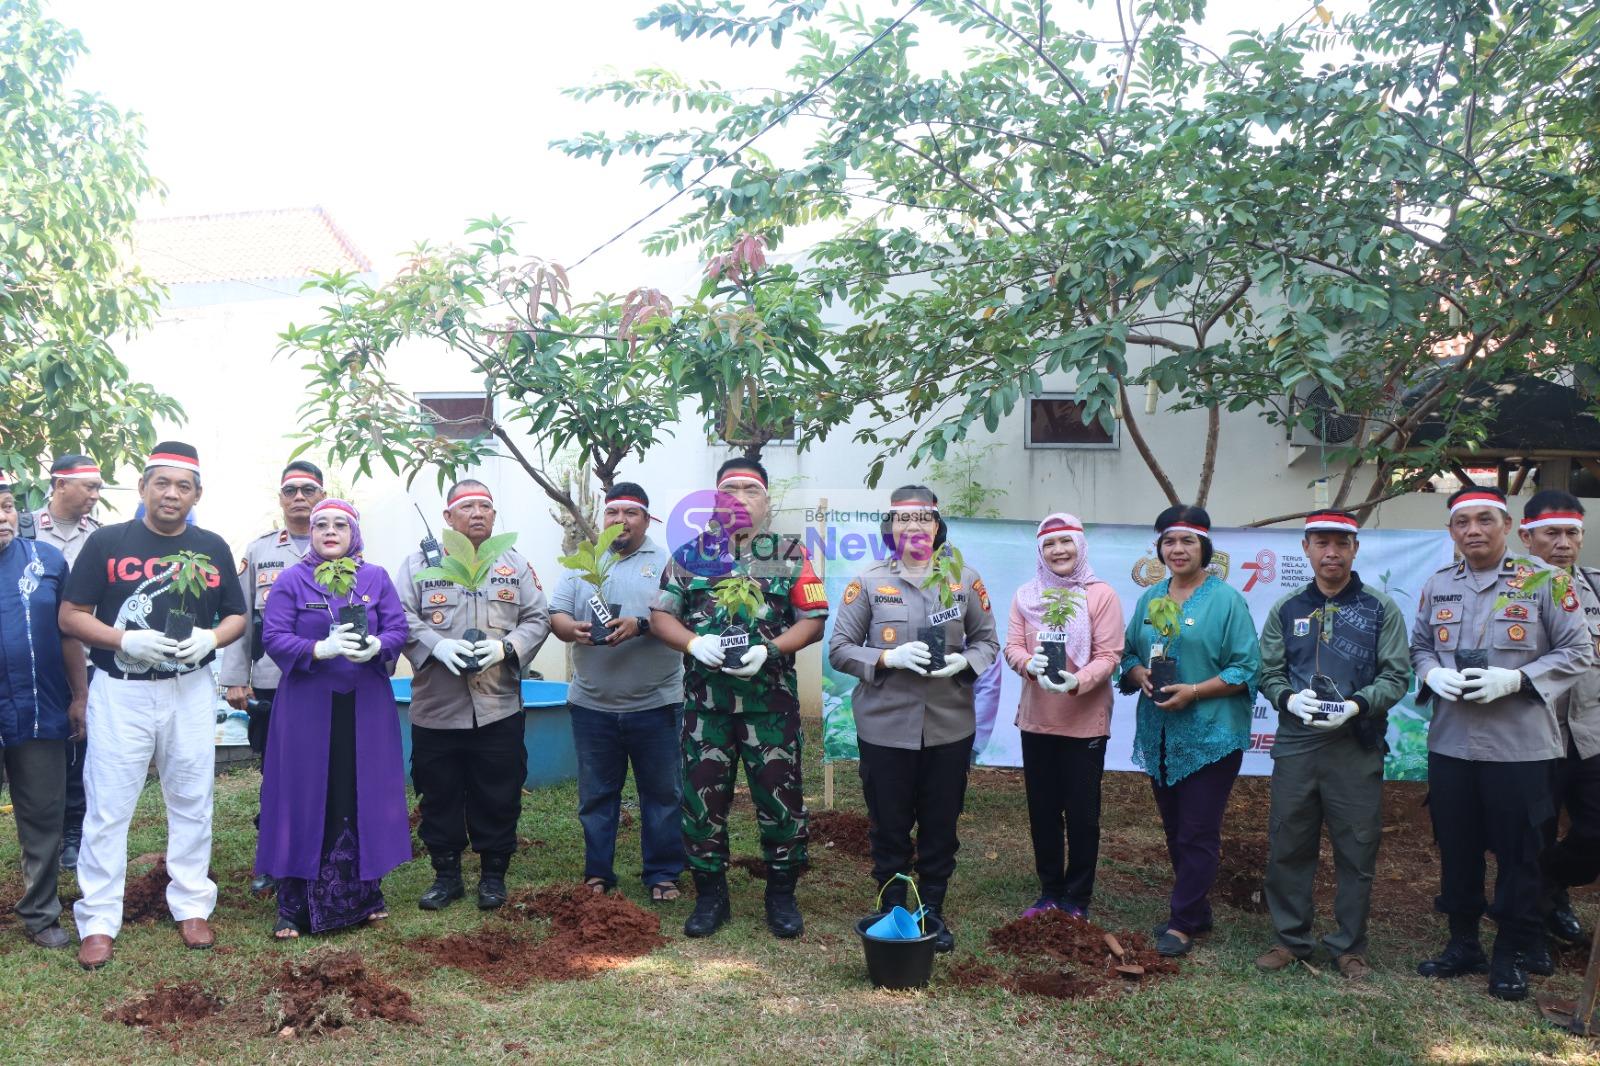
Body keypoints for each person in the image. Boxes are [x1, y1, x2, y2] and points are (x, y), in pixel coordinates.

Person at [58, 442, 248, 969]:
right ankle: (97, 919)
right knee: (109, 805)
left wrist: (213, 637)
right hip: (122, 690)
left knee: (191, 797)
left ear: (197, 494)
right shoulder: (108, 542)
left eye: (182, 486)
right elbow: (71, 616)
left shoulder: (211, 546)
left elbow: (237, 615)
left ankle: (191, 903)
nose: (171, 494)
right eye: (161, 483)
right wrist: (122, 640)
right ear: (142, 488)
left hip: (189, 688)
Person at [1410, 485, 1591, 1001]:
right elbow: (1421, 644)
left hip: (1521, 747)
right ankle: (1463, 943)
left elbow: (1577, 652)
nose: (1474, 531)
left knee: (1521, 854)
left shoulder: (1546, 582)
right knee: (1458, 847)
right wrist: (1430, 674)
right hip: (1451, 743)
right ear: (1451, 532)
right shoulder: (1438, 584)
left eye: (1485, 520)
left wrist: (1518, 680)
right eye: (1463, 523)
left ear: (1507, 527)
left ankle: (1511, 951)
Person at [651, 457, 829, 939]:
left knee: (781, 800)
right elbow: (661, 616)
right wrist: (692, 642)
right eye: (729, 489)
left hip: (769, 705)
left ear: (767, 502)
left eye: (751, 491)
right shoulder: (691, 554)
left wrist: (768, 649)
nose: (739, 498)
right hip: (706, 706)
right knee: (701, 801)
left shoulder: (789, 553)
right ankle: (711, 896)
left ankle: (781, 895)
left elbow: (812, 620)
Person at [827, 486, 999, 951]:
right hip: (885, 726)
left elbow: (988, 642)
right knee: (889, 823)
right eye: (904, 520)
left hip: (949, 725)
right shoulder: (867, 581)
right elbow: (840, 650)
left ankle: (932, 910)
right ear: (891, 528)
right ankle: (893, 907)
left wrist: (965, 662)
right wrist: (888, 658)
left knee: (941, 823)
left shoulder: (964, 579)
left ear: (937, 527)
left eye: (923, 519)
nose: (914, 527)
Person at [1254, 510, 1411, 980]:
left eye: (1341, 544)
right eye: (1321, 543)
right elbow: (1268, 672)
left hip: (1354, 744)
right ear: (1306, 549)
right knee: (1288, 842)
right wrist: (1288, 698)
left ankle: (1348, 945)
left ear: (1355, 549)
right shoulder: (1287, 609)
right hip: (1298, 742)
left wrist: (1359, 704)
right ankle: (1290, 939)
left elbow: (1397, 675)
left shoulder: (1381, 609)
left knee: (1357, 847)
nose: (1331, 553)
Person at [255, 499, 411, 938]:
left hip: (364, 706)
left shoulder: (375, 578)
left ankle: (364, 895)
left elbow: (398, 628)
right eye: (320, 524)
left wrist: (379, 645)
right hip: (308, 706)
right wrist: (316, 650)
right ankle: (294, 906)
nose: (329, 530)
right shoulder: (292, 579)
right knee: (303, 793)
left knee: (359, 791)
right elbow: (273, 635)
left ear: (353, 532)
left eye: (340, 524)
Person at [397, 480, 550, 911]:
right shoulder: (418, 565)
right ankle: (446, 876)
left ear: (495, 517)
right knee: (439, 792)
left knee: (498, 792)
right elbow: (400, 616)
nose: (478, 513)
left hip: (498, 705)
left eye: (486, 505)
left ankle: (492, 876)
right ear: (448, 518)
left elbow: (537, 618)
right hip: (436, 707)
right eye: (467, 506)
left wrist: (506, 648)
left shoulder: (514, 566)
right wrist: (434, 645)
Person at [1120, 505, 1260, 958]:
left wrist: (1195, 691)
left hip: (1211, 735)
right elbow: (1126, 654)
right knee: (1175, 826)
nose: (1177, 550)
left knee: (1197, 831)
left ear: (1205, 548)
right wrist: (1139, 671)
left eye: (1187, 542)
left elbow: (1246, 668)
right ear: (1159, 548)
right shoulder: (1150, 597)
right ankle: (1195, 909)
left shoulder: (1226, 600)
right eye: (1169, 541)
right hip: (1161, 733)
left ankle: (1182, 923)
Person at [549, 483, 686, 900]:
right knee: (596, 795)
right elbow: (557, 614)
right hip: (592, 704)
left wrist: (641, 625)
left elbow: (682, 617)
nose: (621, 521)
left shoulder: (668, 562)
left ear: (647, 519)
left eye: (631, 513)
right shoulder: (582, 563)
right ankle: (598, 874)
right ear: (602, 519)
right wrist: (571, 629)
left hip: (657, 703)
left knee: (662, 794)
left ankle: (662, 874)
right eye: (613, 513)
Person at [1003, 513, 1124, 922]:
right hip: (1038, 720)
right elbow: (1012, 647)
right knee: (1043, 809)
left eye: (1066, 542)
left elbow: (1110, 656)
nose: (1058, 551)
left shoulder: (1099, 595)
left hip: (1084, 720)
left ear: (1080, 546)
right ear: (1040, 552)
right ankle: (1050, 891)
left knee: (1083, 813)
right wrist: (1029, 664)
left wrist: (1077, 680)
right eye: (1049, 545)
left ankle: (1077, 897)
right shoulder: (1026, 595)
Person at [221, 460, 327, 896]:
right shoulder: (260, 550)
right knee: (275, 772)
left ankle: (323, 855)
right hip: (272, 679)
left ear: (322, 495)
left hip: (325, 680)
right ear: (280, 499)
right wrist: (234, 677)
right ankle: (273, 857)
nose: (299, 498)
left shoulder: (343, 544)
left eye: (308, 490)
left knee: (325, 770)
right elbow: (241, 616)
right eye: (290, 491)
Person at [0, 473, 88, 948]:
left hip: (38, 707)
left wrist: (79, 696)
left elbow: (68, 634)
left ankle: (40, 914)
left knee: (44, 815)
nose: (3, 517)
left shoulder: (47, 561)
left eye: (9, 506)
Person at [1515, 492, 1600, 951]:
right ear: (1527, 535)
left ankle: (1551, 878)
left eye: (1572, 533)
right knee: (1534, 831)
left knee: (1594, 832)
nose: (1563, 543)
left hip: (1591, 733)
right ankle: (1534, 917)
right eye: (1552, 533)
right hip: (1532, 732)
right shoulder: (1505, 591)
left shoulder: (1597, 588)